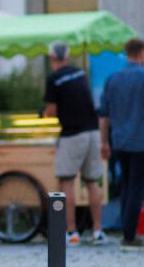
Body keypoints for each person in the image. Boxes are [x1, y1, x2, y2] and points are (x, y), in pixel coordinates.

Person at [98, 37, 144, 249]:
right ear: (142, 53)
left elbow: (104, 116)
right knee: (137, 188)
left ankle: (127, 231)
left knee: (127, 186)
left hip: (119, 141)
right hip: (143, 142)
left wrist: (104, 141)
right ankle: (129, 236)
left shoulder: (112, 79)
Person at [43, 40, 106, 245]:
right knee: (92, 182)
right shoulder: (80, 74)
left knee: (66, 182)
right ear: (68, 57)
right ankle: (97, 231)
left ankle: (71, 232)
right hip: (92, 132)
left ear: (52, 58)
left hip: (72, 134)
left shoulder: (53, 79)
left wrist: (42, 114)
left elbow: (51, 112)